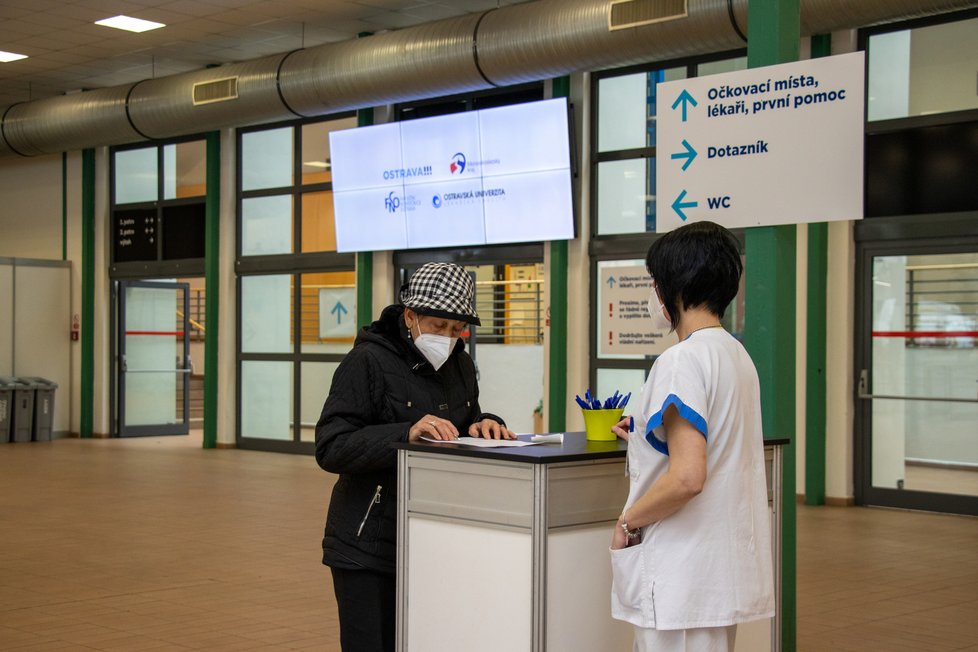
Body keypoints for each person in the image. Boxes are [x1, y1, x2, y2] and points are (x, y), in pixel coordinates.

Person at [315, 262, 514, 652]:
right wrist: (405, 433)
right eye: (439, 326)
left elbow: (464, 421)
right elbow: (331, 444)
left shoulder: (460, 364)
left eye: (457, 330)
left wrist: (485, 423)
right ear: (410, 316)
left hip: (431, 541)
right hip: (367, 546)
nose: (449, 337)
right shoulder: (366, 362)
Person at [609, 221, 775, 651]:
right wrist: (644, 437)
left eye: (655, 282)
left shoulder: (681, 360)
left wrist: (629, 523)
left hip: (681, 578)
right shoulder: (734, 353)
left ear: (673, 287)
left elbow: (688, 477)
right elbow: (711, 444)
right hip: (716, 576)